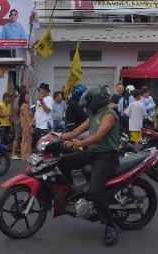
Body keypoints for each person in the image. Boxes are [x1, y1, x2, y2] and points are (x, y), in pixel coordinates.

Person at [58, 85, 120, 246]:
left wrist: (77, 144)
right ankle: (70, 192)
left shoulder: (109, 115)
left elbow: (98, 137)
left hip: (107, 157)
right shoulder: (93, 114)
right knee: (62, 161)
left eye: (89, 101)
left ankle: (110, 226)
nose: (86, 104)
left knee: (95, 190)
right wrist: (58, 137)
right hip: (93, 153)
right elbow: (76, 131)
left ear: (97, 100)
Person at [11, 86, 26, 160]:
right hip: (18, 121)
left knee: (22, 137)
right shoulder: (17, 99)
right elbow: (16, 111)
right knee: (17, 137)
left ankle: (22, 152)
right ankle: (13, 154)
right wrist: (23, 110)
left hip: (23, 122)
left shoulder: (24, 100)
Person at [19, 91, 33, 161]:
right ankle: (26, 155)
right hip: (27, 124)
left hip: (24, 124)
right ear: (23, 97)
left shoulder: (23, 105)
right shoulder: (25, 106)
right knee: (27, 139)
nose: (28, 97)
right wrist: (31, 126)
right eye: (27, 96)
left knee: (25, 139)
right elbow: (27, 117)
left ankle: (24, 155)